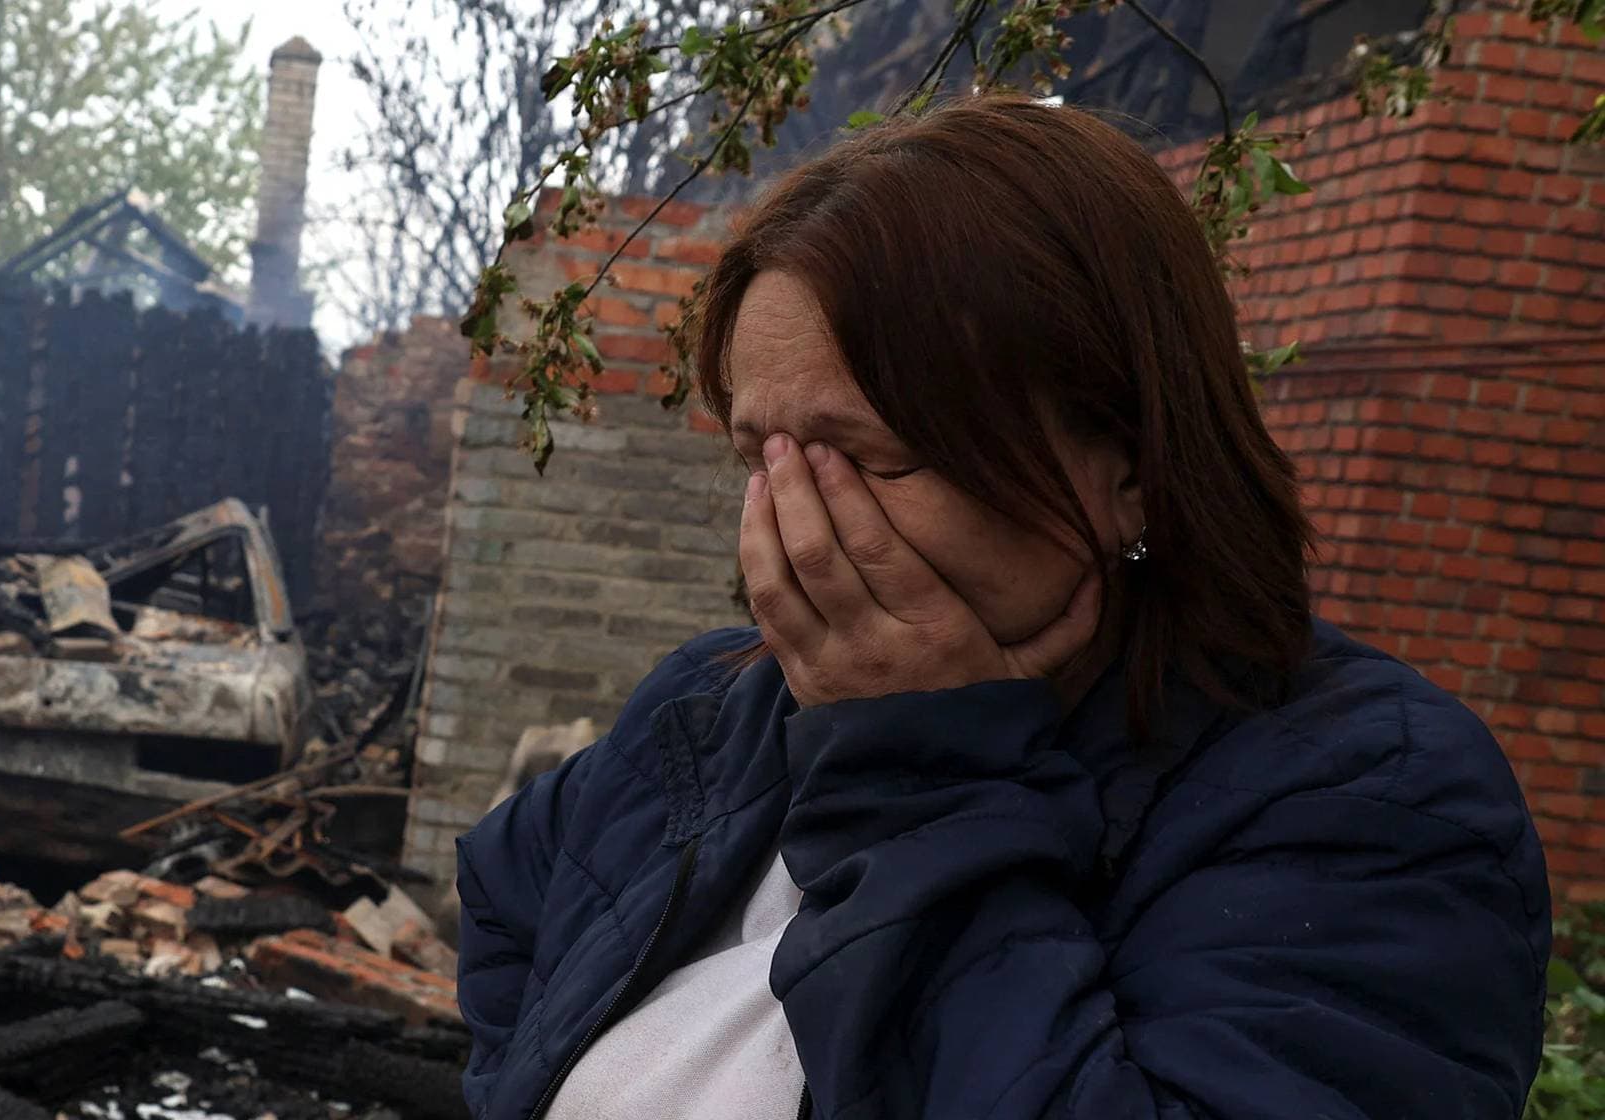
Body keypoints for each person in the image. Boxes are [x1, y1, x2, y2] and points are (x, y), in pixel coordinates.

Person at [453, 93, 1550, 1120]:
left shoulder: (1374, 803)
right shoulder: (718, 705)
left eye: (867, 459)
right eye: (762, 458)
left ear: (1125, 461)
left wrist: (919, 774)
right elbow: (506, 893)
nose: (790, 528)